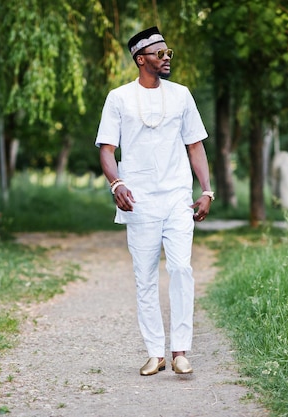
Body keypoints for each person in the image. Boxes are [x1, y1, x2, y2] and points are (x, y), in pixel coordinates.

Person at [95, 26, 214, 376]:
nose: (166, 59)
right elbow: (106, 149)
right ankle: (154, 353)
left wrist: (206, 190)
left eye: (168, 53)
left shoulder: (181, 95)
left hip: (178, 198)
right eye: (160, 54)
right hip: (139, 202)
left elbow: (195, 145)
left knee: (180, 269)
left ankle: (179, 351)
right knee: (145, 278)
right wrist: (116, 183)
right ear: (140, 59)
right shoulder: (118, 98)